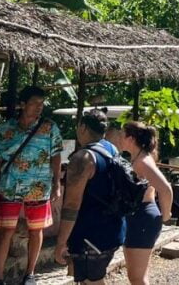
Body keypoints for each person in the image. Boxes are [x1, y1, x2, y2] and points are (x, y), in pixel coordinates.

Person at [0, 86, 63, 285]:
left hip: (39, 187)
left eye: (41, 104)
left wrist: (56, 184)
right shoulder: (7, 128)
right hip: (10, 186)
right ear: (22, 104)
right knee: (5, 231)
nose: (39, 107)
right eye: (35, 103)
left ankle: (30, 274)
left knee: (36, 231)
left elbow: (56, 156)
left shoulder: (49, 127)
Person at [54, 109, 126, 285]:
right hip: (114, 229)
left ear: (83, 127)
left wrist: (61, 241)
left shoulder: (82, 158)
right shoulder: (111, 149)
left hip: (90, 236)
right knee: (91, 280)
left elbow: (71, 204)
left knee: (91, 281)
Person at [118, 122, 172, 285]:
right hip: (137, 217)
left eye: (123, 135)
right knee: (137, 276)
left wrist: (166, 214)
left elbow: (166, 189)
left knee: (137, 278)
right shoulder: (139, 158)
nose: (120, 138)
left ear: (131, 138)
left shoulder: (143, 161)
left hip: (143, 217)